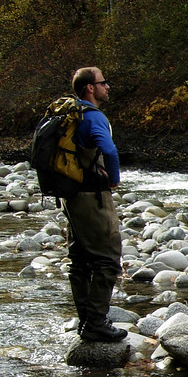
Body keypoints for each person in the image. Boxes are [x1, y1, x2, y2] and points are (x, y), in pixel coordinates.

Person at [64, 66, 127, 342]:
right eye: (103, 83)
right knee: (108, 259)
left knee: (79, 260)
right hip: (93, 198)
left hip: (72, 197)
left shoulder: (70, 115)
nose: (107, 87)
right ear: (90, 88)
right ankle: (96, 322)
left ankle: (85, 320)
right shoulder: (93, 117)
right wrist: (113, 179)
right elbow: (110, 151)